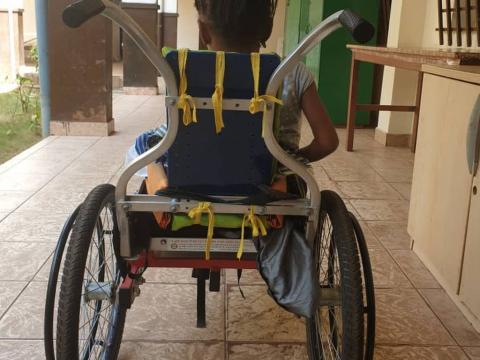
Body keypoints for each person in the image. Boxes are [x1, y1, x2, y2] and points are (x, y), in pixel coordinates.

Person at [126, 0, 339, 186]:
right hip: (267, 175)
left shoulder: (183, 68)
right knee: (290, 167)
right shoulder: (293, 72)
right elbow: (327, 142)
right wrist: (291, 161)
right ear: (268, 27)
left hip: (194, 172)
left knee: (145, 145)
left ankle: (158, 193)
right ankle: (281, 181)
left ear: (203, 30)